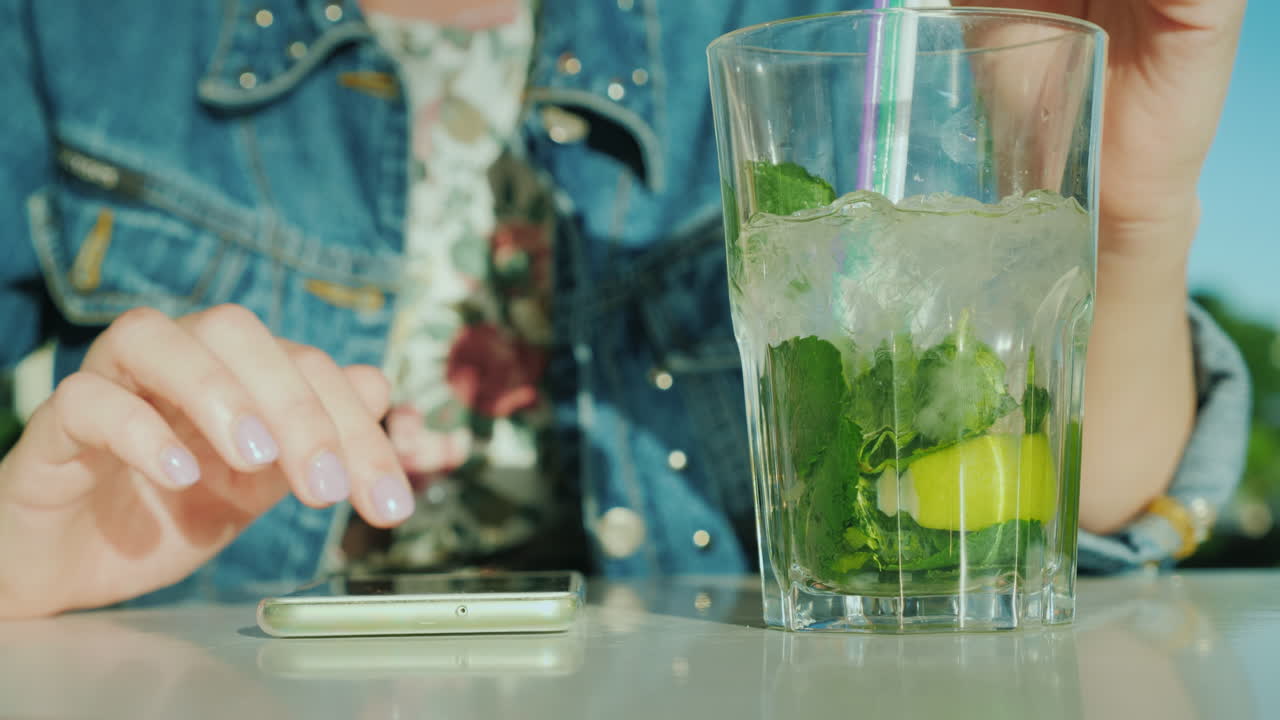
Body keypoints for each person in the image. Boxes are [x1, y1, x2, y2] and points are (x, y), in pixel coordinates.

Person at [0, 0, 1251, 618]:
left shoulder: (803, 34)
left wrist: (1129, 218)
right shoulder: (72, 28)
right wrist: (20, 560)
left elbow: (1038, 517)